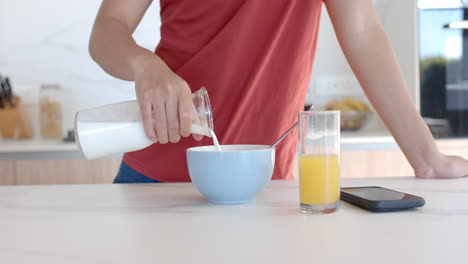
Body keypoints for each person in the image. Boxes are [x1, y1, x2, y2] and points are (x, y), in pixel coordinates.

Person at [89, 0, 468, 183]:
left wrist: (426, 157)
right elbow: (108, 27)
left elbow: (363, 33)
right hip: (157, 177)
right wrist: (146, 67)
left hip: (265, 183)